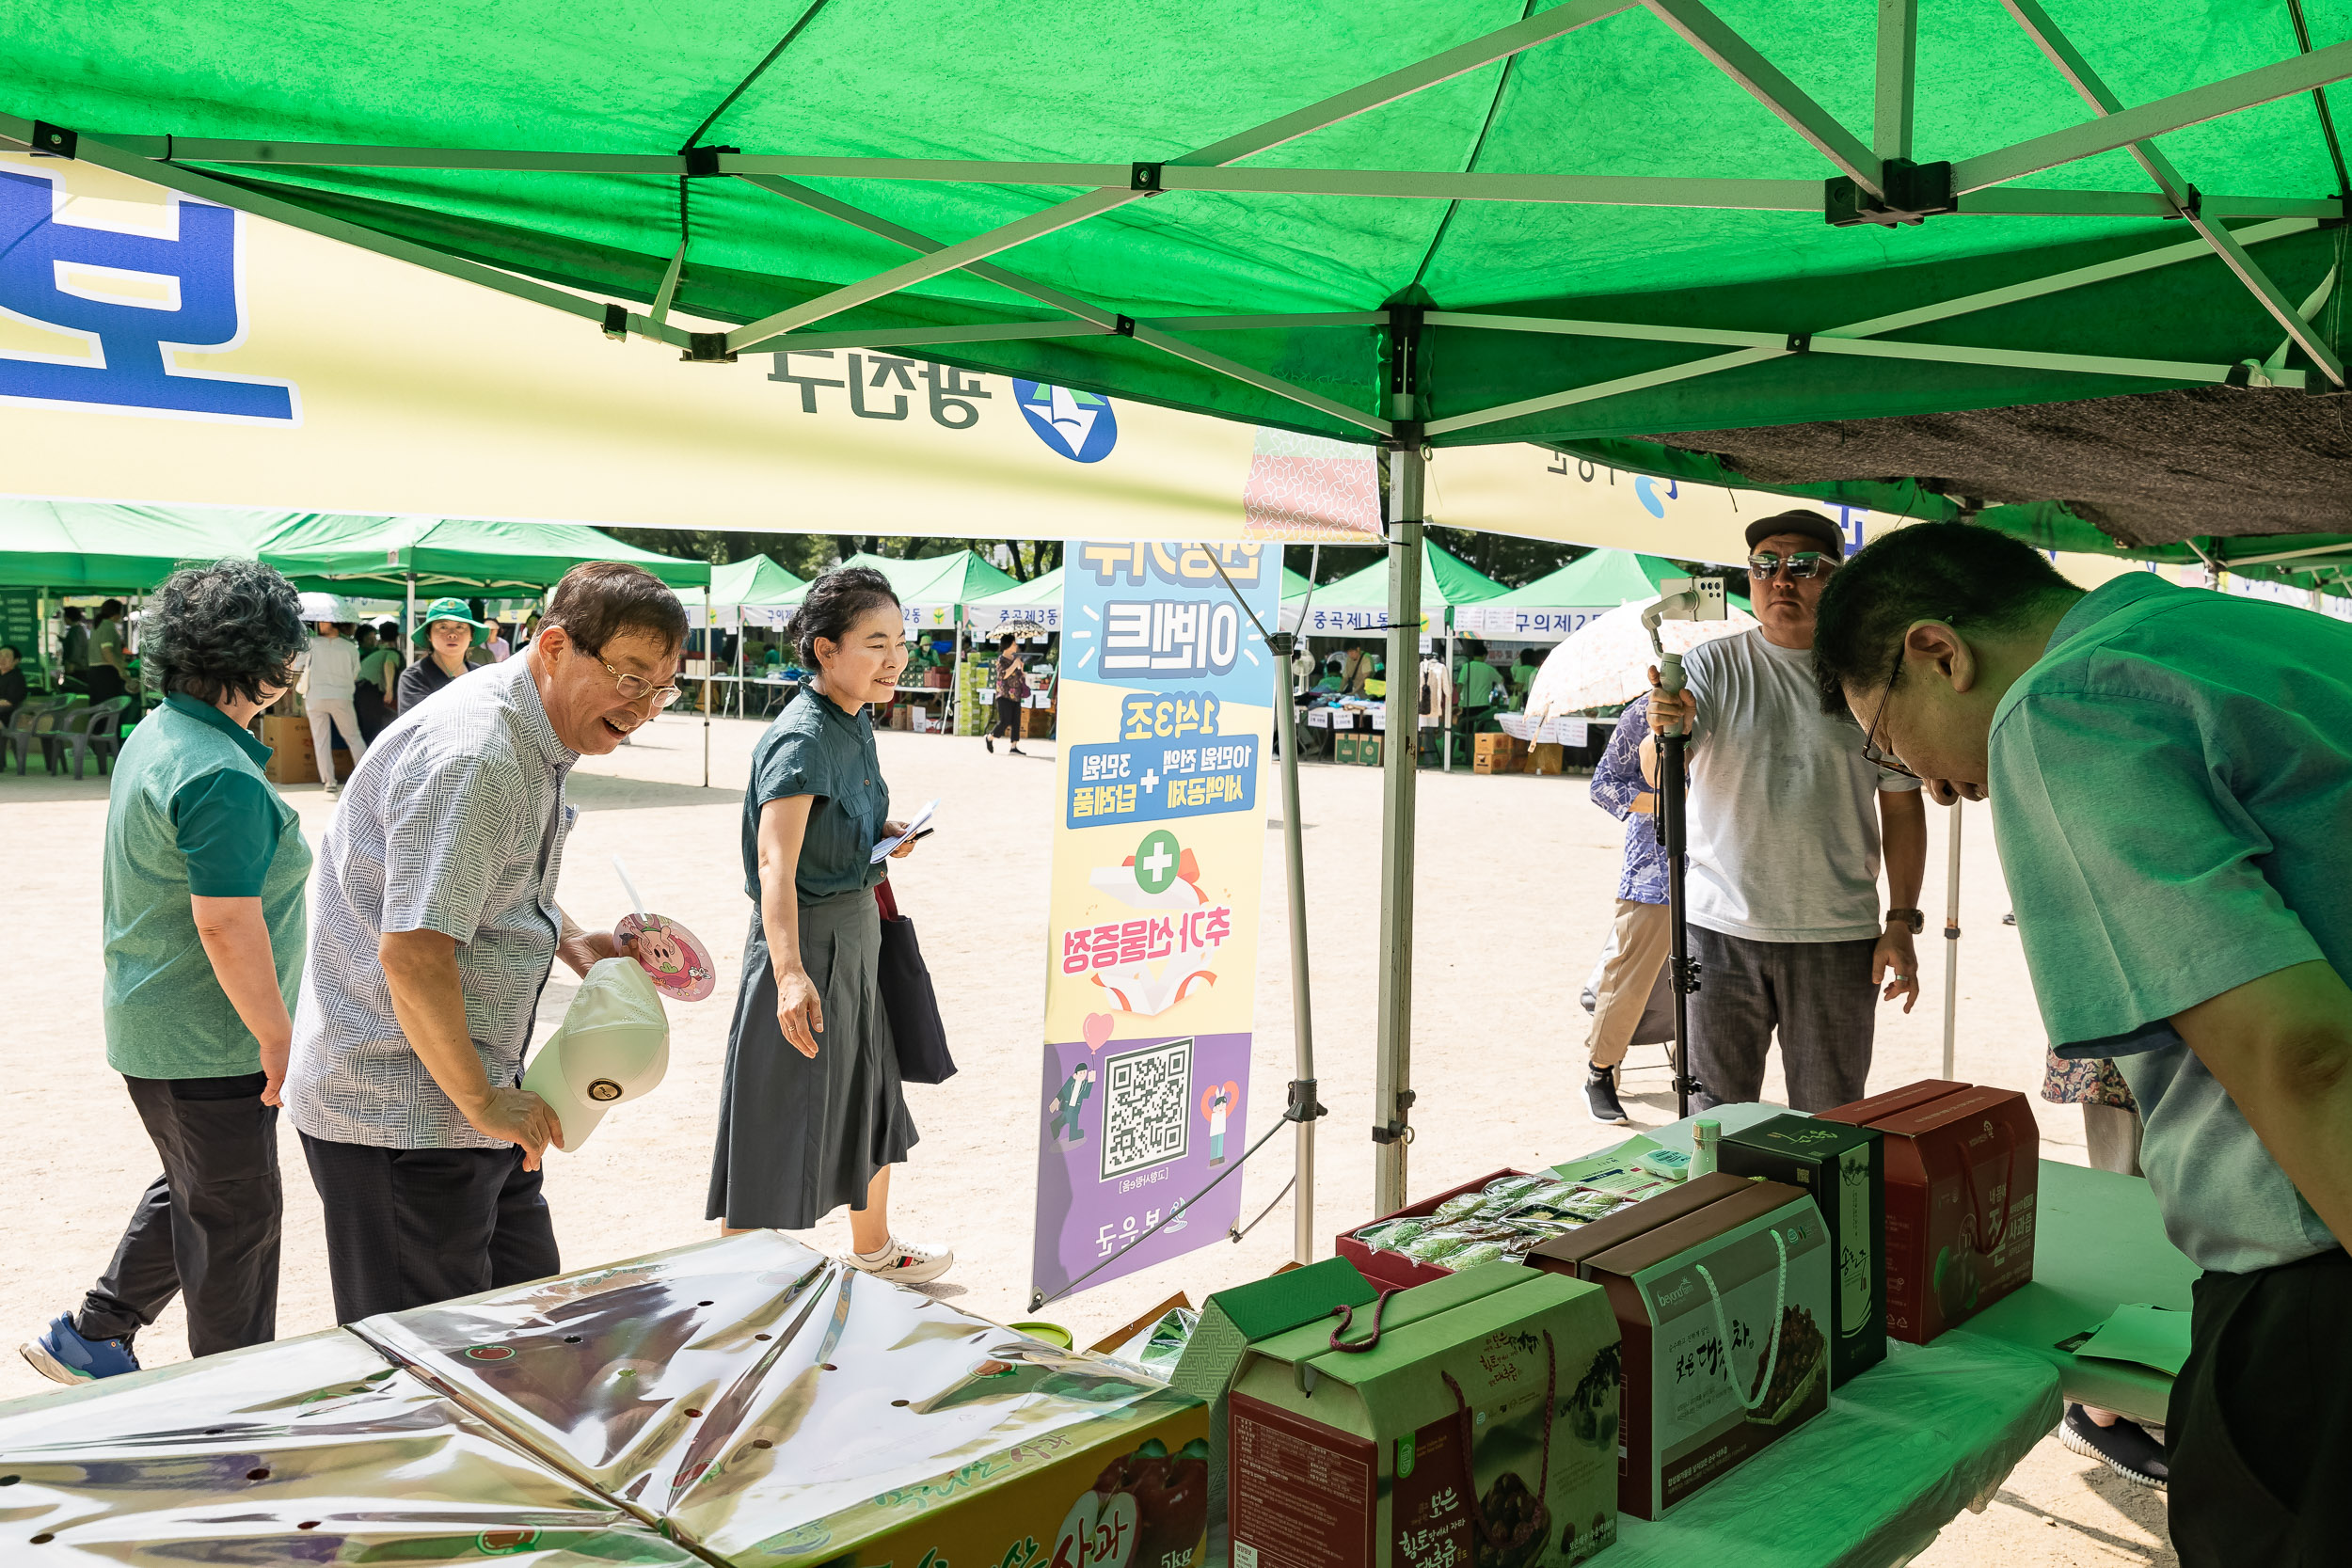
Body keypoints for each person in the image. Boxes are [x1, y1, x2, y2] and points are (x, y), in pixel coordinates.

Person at [1814, 522, 2352, 1567]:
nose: (1926, 784)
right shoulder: (2234, 631)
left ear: (1940, 652)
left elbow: (2305, 1058)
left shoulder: (2060, 709)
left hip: (2319, 1280)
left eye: (1885, 737)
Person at [287, 562, 688, 1322]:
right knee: (433, 1368)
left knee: (527, 1325)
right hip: (405, 1117)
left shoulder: (529, 730)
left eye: (662, 689)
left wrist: (572, 942)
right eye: (630, 679)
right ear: (555, 646)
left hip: (476, 1102)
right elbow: (412, 952)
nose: (643, 708)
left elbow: (487, 885)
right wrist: (480, 1100)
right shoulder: (479, 757)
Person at [18, 561, 311, 1385]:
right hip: (211, 1038)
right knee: (238, 1217)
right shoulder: (219, 772)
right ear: (262, 662)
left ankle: (94, 1331)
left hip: (154, 1021)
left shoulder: (162, 731)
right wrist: (277, 1032)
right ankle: (232, 1397)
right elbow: (224, 920)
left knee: (199, 1186)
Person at [709, 565, 949, 1283]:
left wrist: (885, 831)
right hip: (805, 945)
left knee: (869, 1091)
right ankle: (737, 1275)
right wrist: (788, 976)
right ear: (824, 650)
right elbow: (775, 869)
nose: (896, 659)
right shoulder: (802, 739)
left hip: (856, 937)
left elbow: (839, 819)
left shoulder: (853, 721)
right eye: (877, 642)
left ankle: (873, 1247)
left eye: (900, 641)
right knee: (776, 1105)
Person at [1642, 511, 1926, 1111]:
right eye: (1765, 566)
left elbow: (1902, 808)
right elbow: (1657, 765)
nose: (1781, 581)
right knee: (1712, 1123)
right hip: (1717, 931)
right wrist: (1667, 729)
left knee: (1831, 1120)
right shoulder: (1709, 666)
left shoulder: (1873, 680)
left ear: (1838, 581)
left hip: (1838, 936)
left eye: (1803, 567)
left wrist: (1901, 918)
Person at [1582, 697, 1670, 1125]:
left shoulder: (1738, 700)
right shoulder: (1646, 709)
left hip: (1723, 868)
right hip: (1657, 868)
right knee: (1631, 975)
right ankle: (1599, 1073)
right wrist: (1663, 803)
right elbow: (1604, 784)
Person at [303, 620, 368, 796]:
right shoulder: (350, 647)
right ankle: (366, 777)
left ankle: (329, 781)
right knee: (353, 737)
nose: (319, 624)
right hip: (342, 697)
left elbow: (297, 666)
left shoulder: (311, 643)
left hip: (315, 695)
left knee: (321, 740)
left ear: (334, 623)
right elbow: (356, 673)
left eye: (323, 621)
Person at [397, 598, 489, 713]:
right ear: (429, 635)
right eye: (443, 627)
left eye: (460, 627)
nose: (452, 634)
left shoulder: (481, 676)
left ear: (471, 635)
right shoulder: (414, 677)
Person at [356, 621, 403, 739]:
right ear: (398, 637)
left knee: (369, 727)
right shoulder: (391, 652)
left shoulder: (377, 652)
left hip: (361, 690)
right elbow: (389, 664)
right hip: (368, 690)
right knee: (372, 729)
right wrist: (389, 690)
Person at [986, 633, 1028, 755]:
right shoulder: (1001, 660)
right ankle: (990, 737)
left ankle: (1014, 746)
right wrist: (1014, 665)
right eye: (1014, 643)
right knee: (1004, 721)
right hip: (1004, 695)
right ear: (1008, 645)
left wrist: (1022, 670)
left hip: (1016, 694)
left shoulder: (1015, 659)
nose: (1016, 646)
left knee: (1016, 721)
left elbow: (1019, 676)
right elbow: (1003, 675)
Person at [87, 598, 131, 705]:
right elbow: (107, 652)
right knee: (110, 706)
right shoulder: (107, 625)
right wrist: (121, 670)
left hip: (95, 672)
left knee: (99, 706)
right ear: (117, 612)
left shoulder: (98, 625)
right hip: (106, 672)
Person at [59, 606, 90, 689]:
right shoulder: (78, 630)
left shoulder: (76, 631)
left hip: (76, 669)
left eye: (65, 617)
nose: (64, 619)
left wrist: (71, 664)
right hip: (78, 668)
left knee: (75, 691)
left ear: (69, 617)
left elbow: (76, 648)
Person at [0, 643, 26, 726]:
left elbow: (9, 702)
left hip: (6, 717)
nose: (2, 659)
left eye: (7, 656)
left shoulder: (17, 678)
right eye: (0, 655)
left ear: (16, 661)